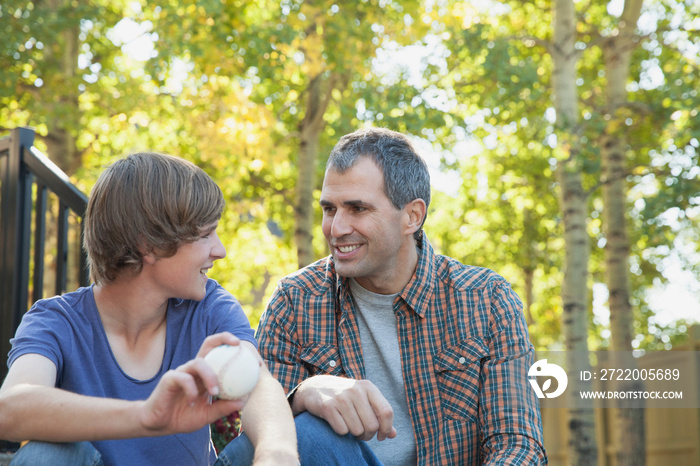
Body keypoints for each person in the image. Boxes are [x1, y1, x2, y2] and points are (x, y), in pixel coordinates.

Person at [255, 127, 548, 465]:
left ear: (412, 216)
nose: (336, 229)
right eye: (330, 209)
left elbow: (518, 447)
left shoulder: (486, 300)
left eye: (358, 209)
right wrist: (303, 395)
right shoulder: (295, 301)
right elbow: (250, 435)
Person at [0, 152, 305, 466]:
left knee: (305, 436)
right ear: (149, 245)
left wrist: (275, 454)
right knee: (46, 455)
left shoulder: (209, 307)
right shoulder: (56, 320)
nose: (220, 250)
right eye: (204, 235)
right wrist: (147, 416)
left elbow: (260, 385)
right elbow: (11, 406)